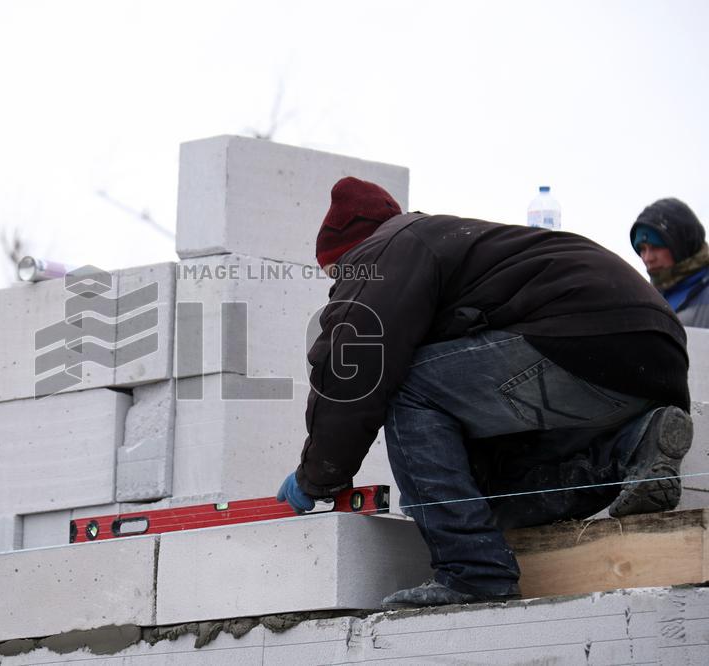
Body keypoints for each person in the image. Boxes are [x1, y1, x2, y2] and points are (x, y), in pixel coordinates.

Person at [276, 177, 693, 609]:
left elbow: (354, 372)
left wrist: (318, 474)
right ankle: (632, 447)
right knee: (491, 490)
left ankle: (474, 571)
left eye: (337, 277)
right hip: (651, 358)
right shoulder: (449, 247)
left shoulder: (382, 251)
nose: (340, 289)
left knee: (407, 386)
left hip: (578, 337)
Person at [630, 198, 709, 328]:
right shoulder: (646, 299)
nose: (648, 258)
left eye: (656, 247)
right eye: (642, 249)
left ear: (682, 245)